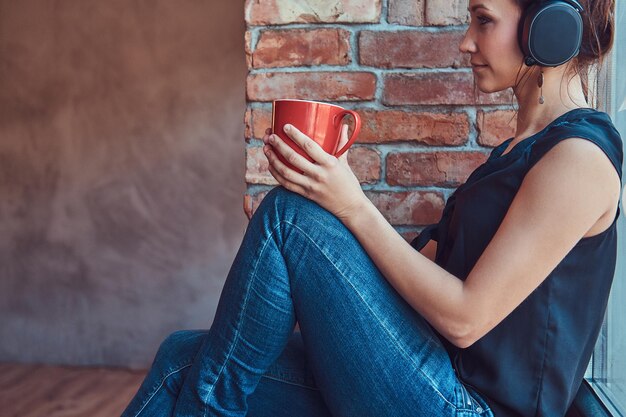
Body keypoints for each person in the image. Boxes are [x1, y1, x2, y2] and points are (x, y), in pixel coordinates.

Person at [120, 0, 622, 416]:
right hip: (427, 373)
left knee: (289, 218)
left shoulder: (579, 160)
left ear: (548, 28)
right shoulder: (513, 154)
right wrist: (321, 229)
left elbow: (468, 317)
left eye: (483, 19)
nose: (466, 41)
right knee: (180, 358)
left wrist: (348, 207)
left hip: (467, 407)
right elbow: (417, 275)